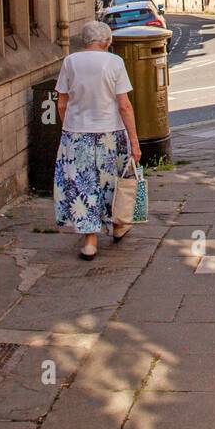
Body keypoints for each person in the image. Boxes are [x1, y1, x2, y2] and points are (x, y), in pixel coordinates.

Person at [53, 20, 142, 260]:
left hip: (76, 135)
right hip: (110, 134)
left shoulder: (70, 62)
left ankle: (90, 241)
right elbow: (124, 105)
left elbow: (62, 102)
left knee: (84, 185)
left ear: (85, 40)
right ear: (106, 41)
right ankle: (119, 225)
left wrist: (69, 127)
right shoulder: (114, 62)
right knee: (113, 181)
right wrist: (134, 141)